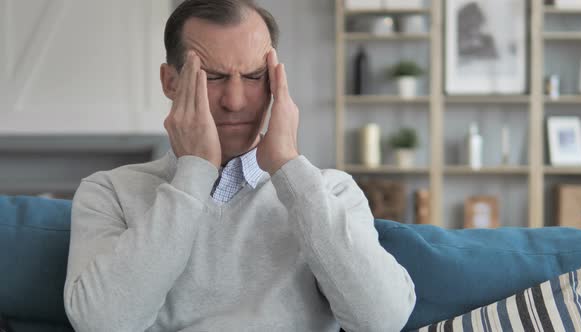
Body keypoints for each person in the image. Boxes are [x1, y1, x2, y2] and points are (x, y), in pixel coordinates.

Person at [63, 0, 416, 331]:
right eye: (213, 78)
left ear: (275, 81)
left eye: (253, 77)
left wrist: (288, 167)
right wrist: (193, 173)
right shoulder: (109, 192)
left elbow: (382, 321)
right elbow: (103, 324)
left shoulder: (330, 191)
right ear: (171, 82)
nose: (235, 102)